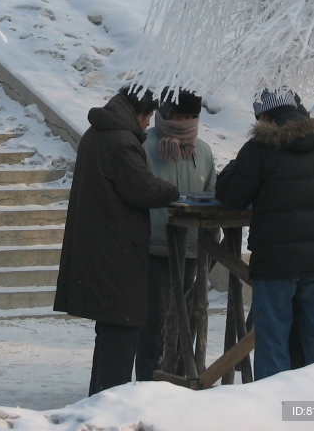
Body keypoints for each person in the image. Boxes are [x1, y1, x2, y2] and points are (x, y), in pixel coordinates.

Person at [216, 88, 314, 380]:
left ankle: (273, 410)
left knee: (273, 339)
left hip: (276, 262)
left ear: (264, 116)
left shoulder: (259, 148)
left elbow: (231, 195)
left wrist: (233, 169)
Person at [53, 86, 180, 395]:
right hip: (117, 250)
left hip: (101, 245)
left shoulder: (98, 133)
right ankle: (112, 401)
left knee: (110, 329)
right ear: (138, 112)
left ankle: (100, 398)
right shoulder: (121, 140)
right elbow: (141, 188)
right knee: (122, 329)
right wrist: (173, 191)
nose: (149, 124)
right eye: (148, 116)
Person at [135, 89, 217, 381]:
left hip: (193, 250)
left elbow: (212, 195)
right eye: (178, 116)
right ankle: (149, 379)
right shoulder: (145, 146)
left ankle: (183, 378)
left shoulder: (203, 150)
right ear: (165, 114)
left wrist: (213, 243)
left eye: (189, 117)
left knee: (188, 323)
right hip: (155, 250)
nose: (183, 123)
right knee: (154, 323)